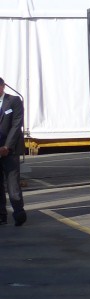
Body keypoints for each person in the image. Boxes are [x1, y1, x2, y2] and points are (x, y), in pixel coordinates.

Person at [0, 76, 27, 227]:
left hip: (9, 151)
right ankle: (1, 215)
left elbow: (16, 125)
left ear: (2, 86)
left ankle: (19, 214)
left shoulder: (14, 101)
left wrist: (7, 147)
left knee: (12, 184)